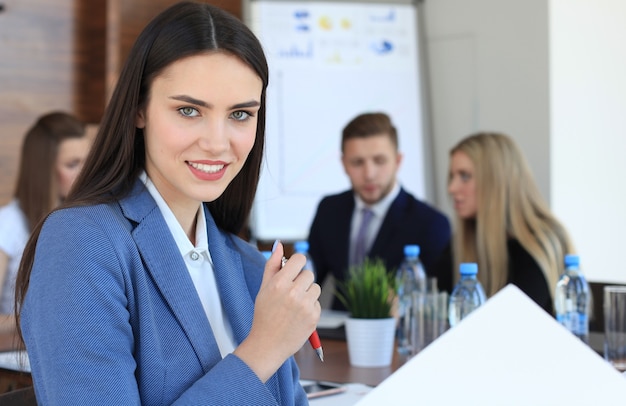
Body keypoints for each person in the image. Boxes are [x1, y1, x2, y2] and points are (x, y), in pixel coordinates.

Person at [14, 2, 319, 404]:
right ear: (139, 109)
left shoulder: (249, 266)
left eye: (241, 114)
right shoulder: (82, 243)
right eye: (189, 110)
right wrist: (264, 348)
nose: (217, 142)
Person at [308, 112, 451, 310]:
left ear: (398, 161)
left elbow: (432, 305)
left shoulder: (430, 224)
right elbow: (309, 279)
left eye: (380, 161)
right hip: (335, 335)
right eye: (357, 162)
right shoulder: (329, 210)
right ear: (344, 164)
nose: (369, 174)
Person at [437, 132, 575, 313]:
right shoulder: (464, 241)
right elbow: (431, 302)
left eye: (464, 176)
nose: (452, 188)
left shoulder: (540, 243)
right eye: (452, 176)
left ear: (497, 180)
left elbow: (515, 323)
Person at [0, 112, 90, 333]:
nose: (86, 173)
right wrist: (48, 319)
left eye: (88, 161)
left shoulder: (88, 221)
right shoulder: (7, 225)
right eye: (72, 164)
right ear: (44, 171)